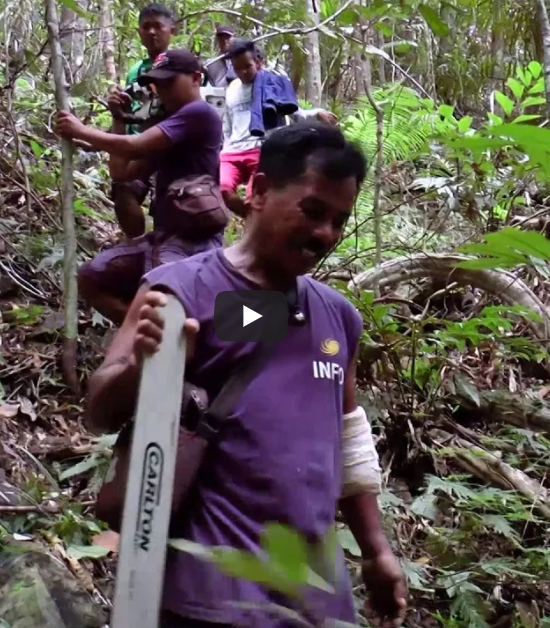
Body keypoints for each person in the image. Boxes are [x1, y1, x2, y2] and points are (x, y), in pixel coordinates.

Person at [85, 122, 408, 628]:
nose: (325, 233)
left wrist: (375, 551)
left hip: (312, 595)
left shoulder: (337, 317)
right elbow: (99, 409)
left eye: (339, 221)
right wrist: (151, 367)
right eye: (312, 211)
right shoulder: (183, 290)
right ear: (257, 191)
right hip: (210, 588)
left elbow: (347, 434)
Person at [57, 49, 224, 326]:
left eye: (170, 82)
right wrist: (119, 120)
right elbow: (121, 172)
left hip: (196, 240)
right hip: (165, 236)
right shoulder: (169, 129)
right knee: (91, 277)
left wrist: (80, 130)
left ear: (196, 79)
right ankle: (142, 334)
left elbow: (135, 145)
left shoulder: (199, 113)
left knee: (165, 298)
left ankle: (179, 341)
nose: (163, 90)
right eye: (158, 84)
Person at [219, 38, 338, 218]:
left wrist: (317, 114)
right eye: (237, 68)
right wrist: (226, 147)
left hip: (260, 148)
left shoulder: (272, 83)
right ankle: (252, 221)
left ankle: (255, 228)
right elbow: (228, 123)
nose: (242, 72)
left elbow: (295, 112)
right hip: (233, 151)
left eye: (247, 66)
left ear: (258, 62)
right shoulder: (233, 87)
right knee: (224, 190)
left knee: (254, 199)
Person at [105, 3, 179, 240]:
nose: (152, 32)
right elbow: (135, 108)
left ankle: (162, 244)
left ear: (172, 30)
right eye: (146, 27)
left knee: (168, 204)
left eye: (158, 26)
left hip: (172, 143)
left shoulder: (182, 65)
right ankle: (137, 244)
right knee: (123, 190)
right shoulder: (137, 70)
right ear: (139, 32)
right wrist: (120, 110)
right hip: (140, 143)